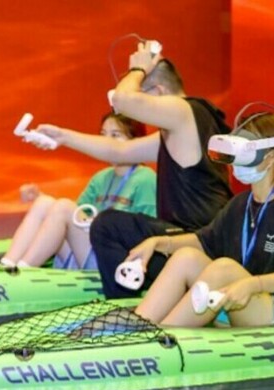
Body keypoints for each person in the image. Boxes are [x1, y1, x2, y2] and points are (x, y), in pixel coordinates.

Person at [35, 42, 232, 296]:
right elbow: (119, 151)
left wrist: (138, 69)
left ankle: (121, 304)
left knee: (108, 224)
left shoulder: (184, 111)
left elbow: (124, 100)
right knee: (116, 225)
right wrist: (64, 137)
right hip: (189, 237)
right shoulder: (184, 127)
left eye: (143, 94)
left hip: (198, 240)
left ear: (158, 92)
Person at [131, 110, 274, 327]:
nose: (235, 162)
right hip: (243, 299)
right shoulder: (241, 203)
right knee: (186, 257)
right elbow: (203, 241)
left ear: (271, 157)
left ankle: (162, 337)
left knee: (224, 268)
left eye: (245, 152)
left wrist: (252, 285)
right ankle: (138, 327)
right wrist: (157, 242)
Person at [2, 112, 156, 270]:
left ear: (136, 141)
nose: (106, 142)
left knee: (63, 207)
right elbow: (75, 217)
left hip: (117, 259)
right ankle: (8, 263)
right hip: (91, 248)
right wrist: (38, 196)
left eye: (115, 135)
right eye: (103, 135)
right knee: (44, 203)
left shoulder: (145, 179)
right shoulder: (101, 178)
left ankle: (23, 269)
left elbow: (151, 230)